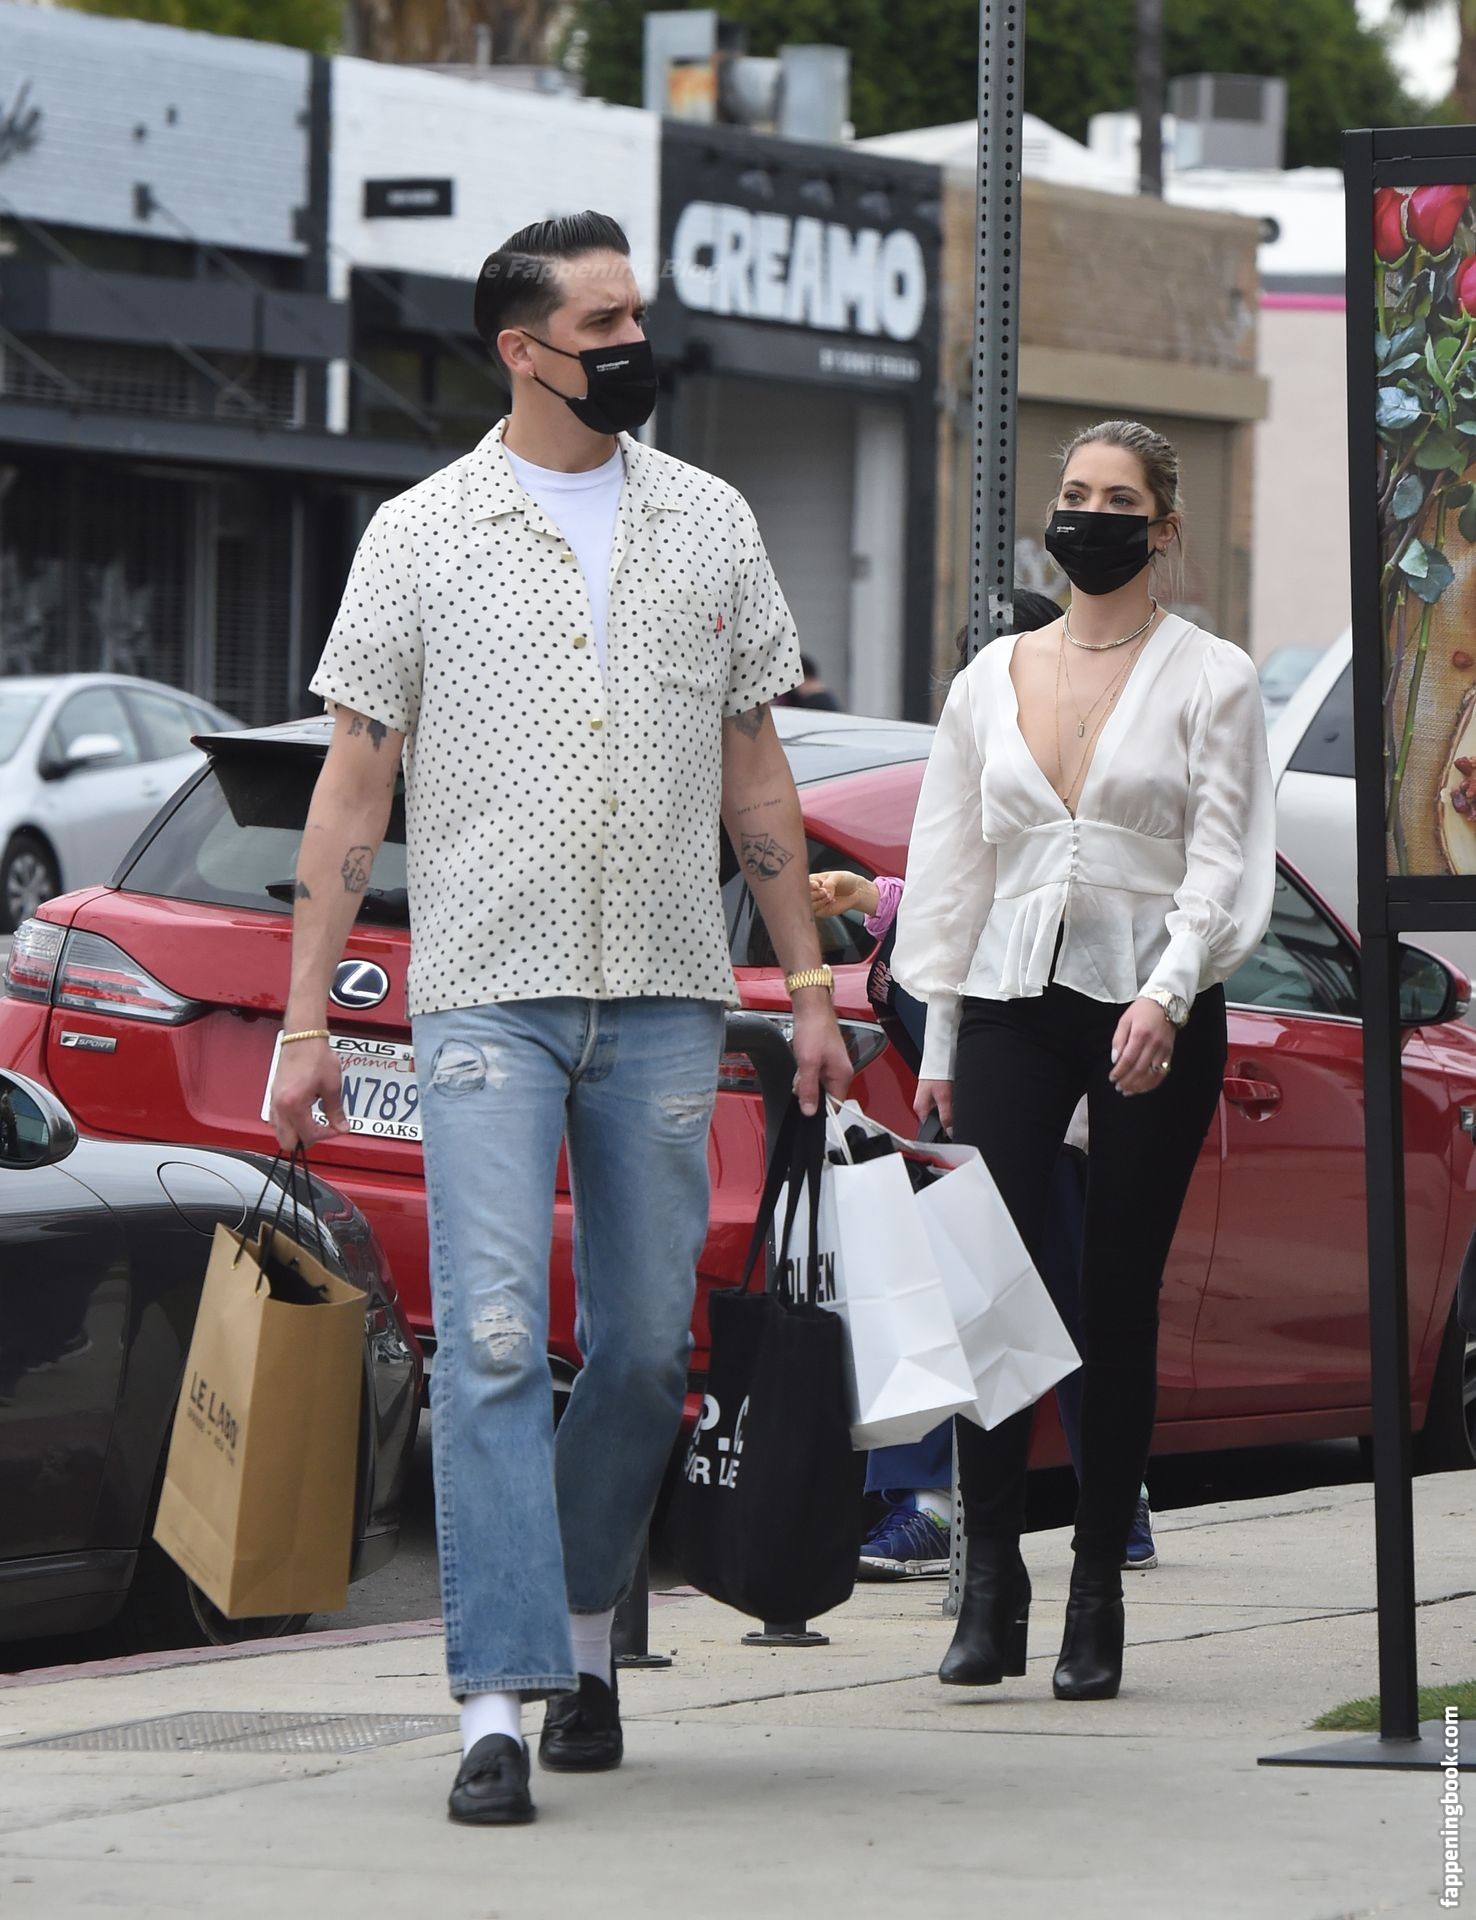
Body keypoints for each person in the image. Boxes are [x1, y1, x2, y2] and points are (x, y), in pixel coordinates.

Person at [268, 210, 852, 1827]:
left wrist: (807, 984)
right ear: (521, 350)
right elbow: (353, 788)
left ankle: (588, 1624)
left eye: (634, 314)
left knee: (650, 1352)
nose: (630, 343)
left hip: (667, 993)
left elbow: (755, 772)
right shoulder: (420, 534)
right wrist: (306, 1023)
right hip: (483, 995)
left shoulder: (711, 522)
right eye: (600, 324)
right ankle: (497, 1702)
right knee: (493, 1341)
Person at [892, 419, 1274, 1700]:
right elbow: (953, 866)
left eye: (1118, 499)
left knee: (1116, 1300)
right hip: (1010, 996)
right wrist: (942, 1035)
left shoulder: (1213, 676)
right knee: (985, 1286)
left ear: (1162, 528)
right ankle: (989, 1578)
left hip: (1154, 999)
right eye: (1073, 493)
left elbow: (1223, 856)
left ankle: (1097, 1588)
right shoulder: (990, 676)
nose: (1089, 515)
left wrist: (1171, 988)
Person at [810, 594, 1159, 1584]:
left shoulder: (1078, 773)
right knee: (996, 1289)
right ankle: (1086, 1502)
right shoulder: (990, 757)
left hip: (1041, 1087)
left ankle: (959, 1504)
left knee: (1026, 1295)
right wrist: (879, 903)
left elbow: (1020, 916)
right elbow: (961, 900)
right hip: (980, 1083)